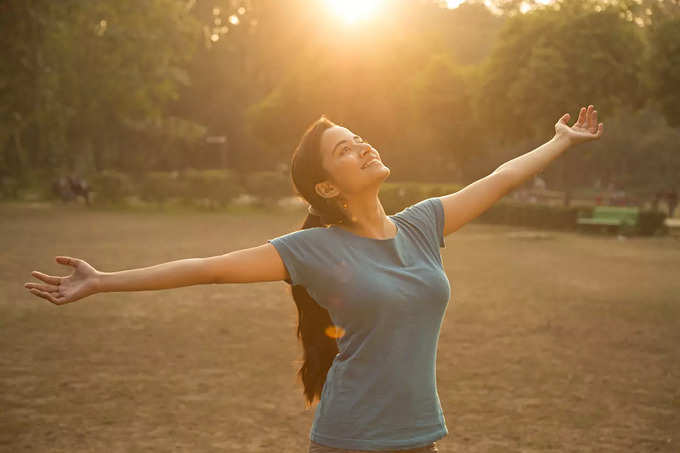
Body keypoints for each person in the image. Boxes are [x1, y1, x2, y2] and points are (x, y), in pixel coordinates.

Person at [24, 105, 604, 452]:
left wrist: (559, 141)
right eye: (346, 150)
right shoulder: (312, 250)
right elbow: (208, 269)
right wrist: (102, 281)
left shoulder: (424, 223)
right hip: (352, 442)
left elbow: (499, 179)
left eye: (360, 139)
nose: (363, 146)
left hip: (421, 437)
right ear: (328, 187)